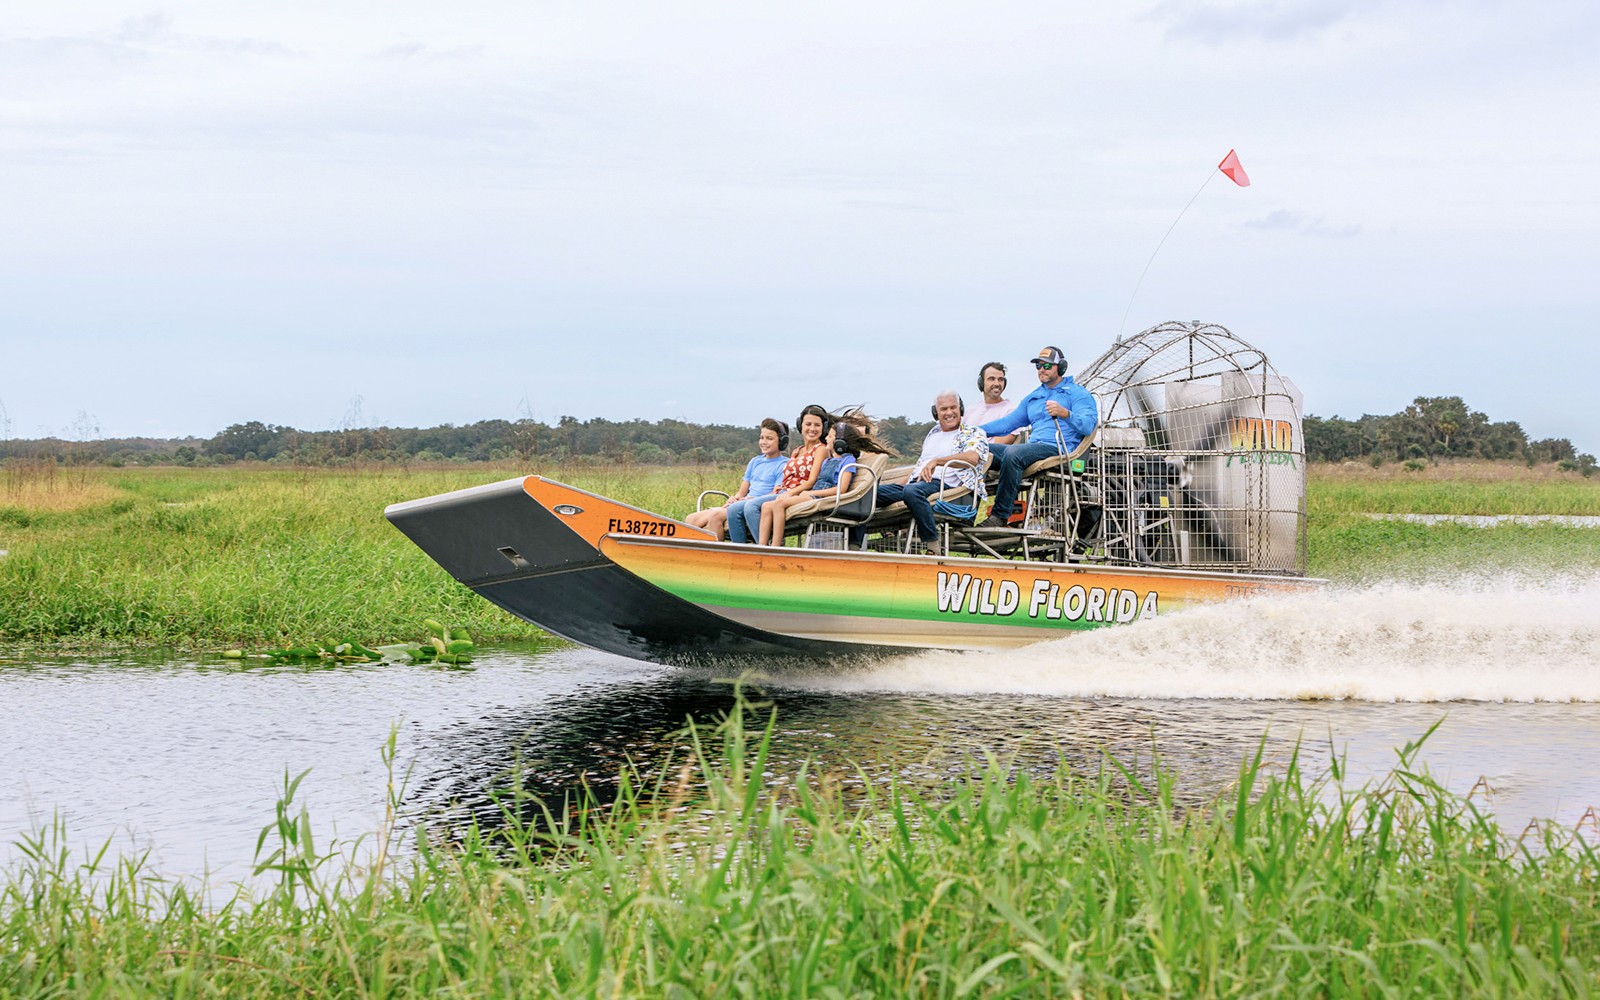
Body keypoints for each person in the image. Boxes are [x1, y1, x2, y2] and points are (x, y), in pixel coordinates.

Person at [974, 346, 1098, 529]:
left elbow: (1089, 425)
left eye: (1047, 366)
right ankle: (964, 513)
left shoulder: (1077, 394)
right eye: (1038, 366)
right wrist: (975, 432)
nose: (1041, 369)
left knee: (1014, 453)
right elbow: (1007, 424)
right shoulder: (1034, 397)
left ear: (1061, 368)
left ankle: (1000, 516)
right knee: (978, 450)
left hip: (1058, 449)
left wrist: (1065, 413)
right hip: (1033, 448)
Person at [874, 390, 989, 556]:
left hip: (946, 488)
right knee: (872, 493)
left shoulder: (973, 432)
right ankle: (871, 540)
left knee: (912, 491)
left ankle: (932, 544)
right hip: (918, 485)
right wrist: (897, 486)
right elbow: (920, 468)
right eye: (943, 409)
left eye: (953, 408)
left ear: (960, 409)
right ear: (936, 412)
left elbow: (972, 457)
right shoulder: (933, 434)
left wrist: (938, 461)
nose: (949, 413)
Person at [730, 404, 831, 543]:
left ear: (823, 428)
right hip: (782, 491)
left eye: (817, 425)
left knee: (751, 506)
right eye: (808, 424)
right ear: (800, 425)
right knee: (734, 510)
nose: (812, 429)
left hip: (796, 493)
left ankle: (764, 546)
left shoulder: (821, 449)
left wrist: (790, 492)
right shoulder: (797, 451)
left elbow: (811, 480)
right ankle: (741, 552)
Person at [758, 423, 860, 545]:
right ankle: (762, 547)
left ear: (840, 442)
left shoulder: (848, 461)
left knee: (779, 504)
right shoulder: (828, 460)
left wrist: (811, 492)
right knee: (766, 506)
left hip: (822, 498)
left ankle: (776, 547)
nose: (826, 438)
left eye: (830, 436)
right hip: (812, 494)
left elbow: (841, 489)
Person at [688, 418, 788, 541]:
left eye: (769, 438)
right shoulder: (755, 461)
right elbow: (742, 492)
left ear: (782, 442)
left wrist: (751, 500)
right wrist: (734, 499)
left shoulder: (784, 464)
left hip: (757, 506)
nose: (764, 442)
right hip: (742, 502)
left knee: (716, 516)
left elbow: (776, 494)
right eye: (762, 438)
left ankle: (720, 556)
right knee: (691, 519)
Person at [966, 361, 1017, 443]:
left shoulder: (1010, 412)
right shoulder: (969, 411)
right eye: (991, 379)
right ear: (981, 383)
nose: (997, 383)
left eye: (1000, 379)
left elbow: (1001, 444)